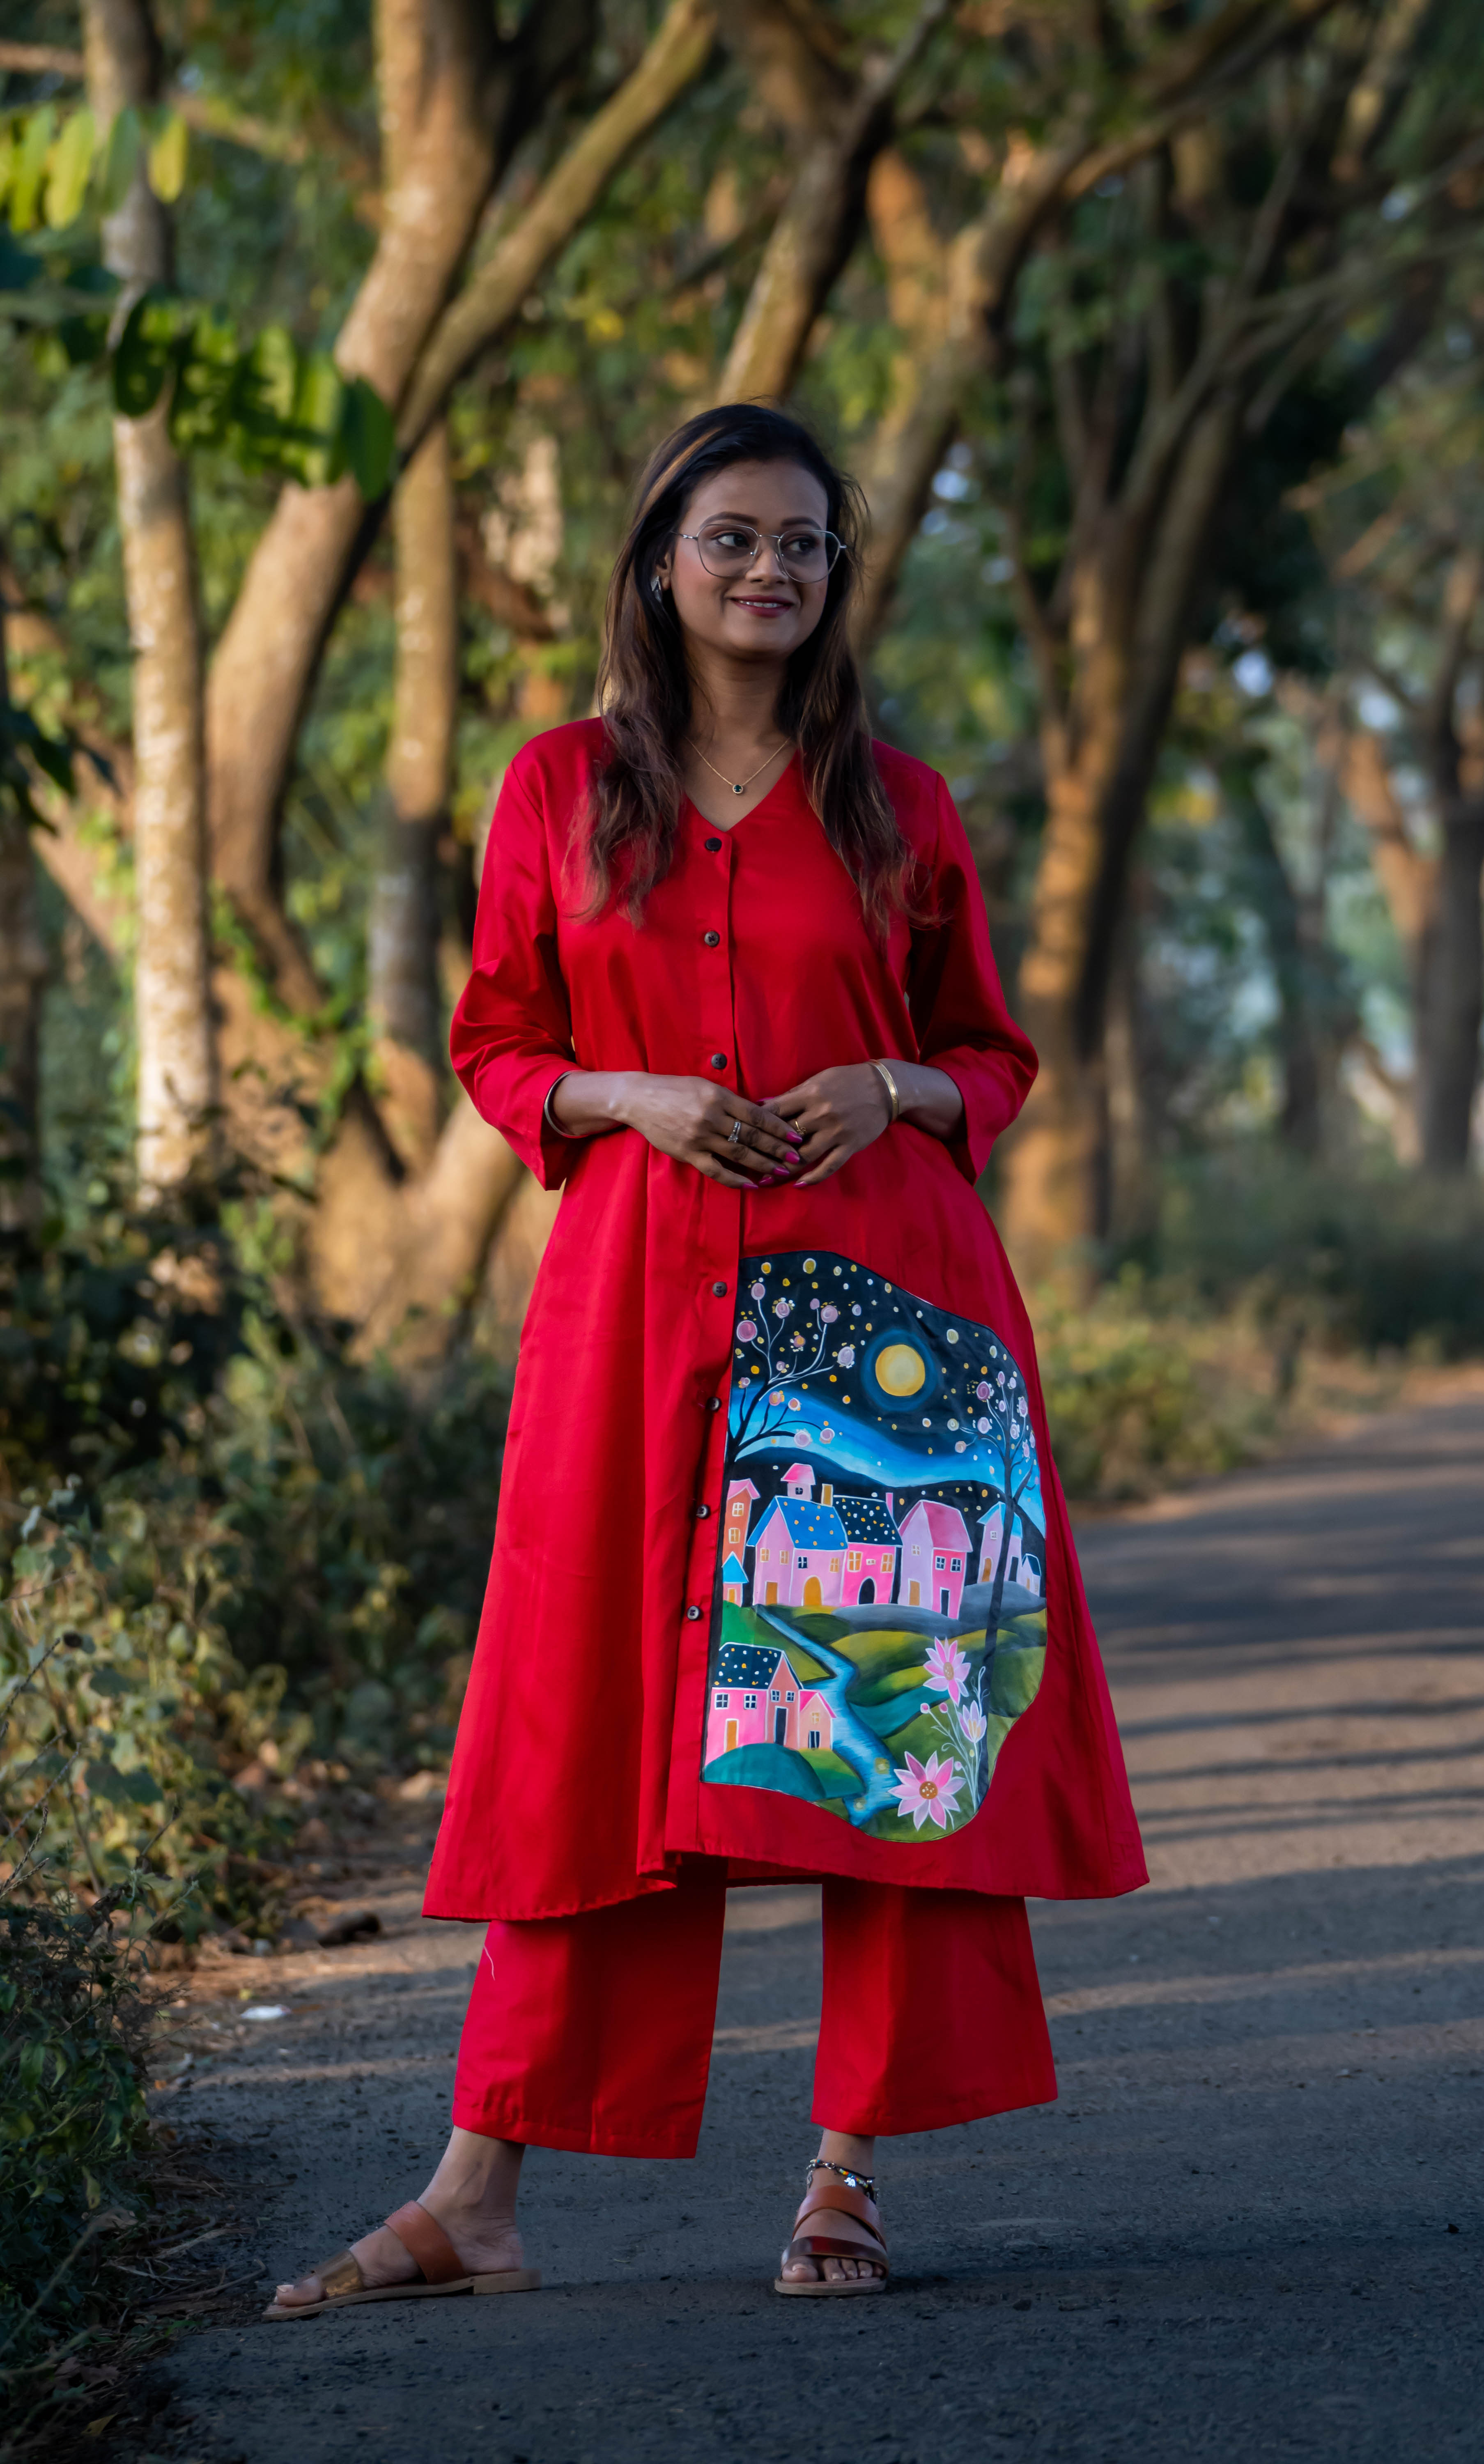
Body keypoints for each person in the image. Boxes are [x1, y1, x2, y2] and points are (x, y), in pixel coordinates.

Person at [269, 403, 1144, 2318]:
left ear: (837, 581)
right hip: (635, 1307)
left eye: (805, 546)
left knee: (879, 1721)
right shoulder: (559, 790)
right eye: (733, 537)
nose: (770, 571)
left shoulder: (898, 808)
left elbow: (990, 1053)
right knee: (597, 1725)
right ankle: (476, 2191)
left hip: (882, 1319)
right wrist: (628, 1093)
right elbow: (495, 1040)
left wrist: (889, 1085)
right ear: (660, 554)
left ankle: (845, 2181)